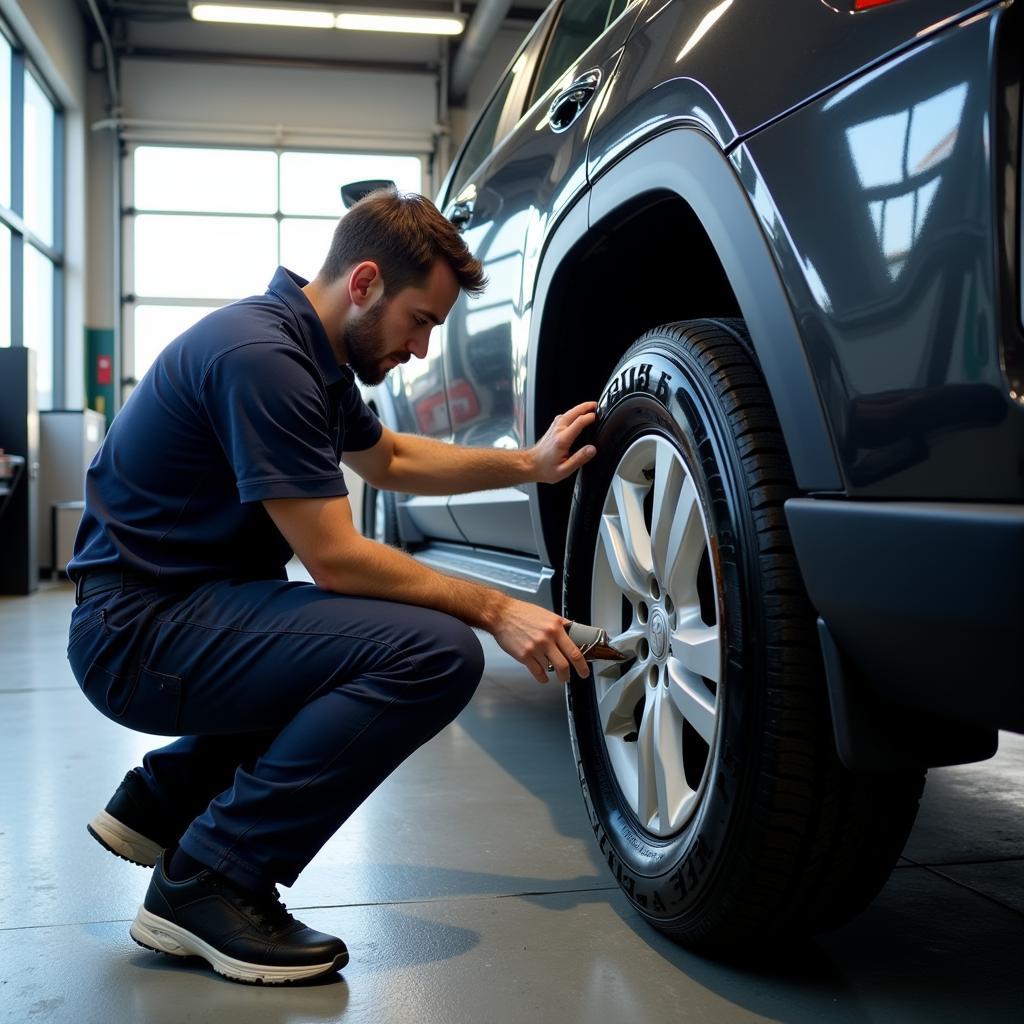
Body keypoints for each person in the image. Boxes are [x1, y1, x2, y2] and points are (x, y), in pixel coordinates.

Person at [66, 189, 598, 986]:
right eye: (419, 320)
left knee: (360, 637)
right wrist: (496, 608)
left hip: (169, 613)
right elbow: (336, 560)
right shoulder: (263, 358)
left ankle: (167, 799)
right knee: (433, 652)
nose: (421, 349)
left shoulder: (307, 352)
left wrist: (529, 462)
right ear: (365, 283)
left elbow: (390, 461)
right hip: (137, 635)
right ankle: (210, 878)